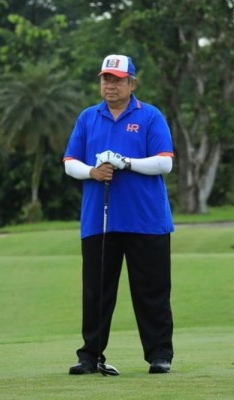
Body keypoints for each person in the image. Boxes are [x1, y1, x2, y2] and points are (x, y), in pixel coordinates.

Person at [63, 54, 175, 375]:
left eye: (116, 80)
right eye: (105, 79)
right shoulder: (88, 118)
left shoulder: (151, 116)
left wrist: (127, 162)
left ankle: (159, 355)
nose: (109, 85)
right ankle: (90, 355)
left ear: (132, 83)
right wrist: (92, 172)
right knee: (97, 291)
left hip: (147, 220)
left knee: (151, 291)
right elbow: (70, 162)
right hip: (100, 220)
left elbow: (164, 162)